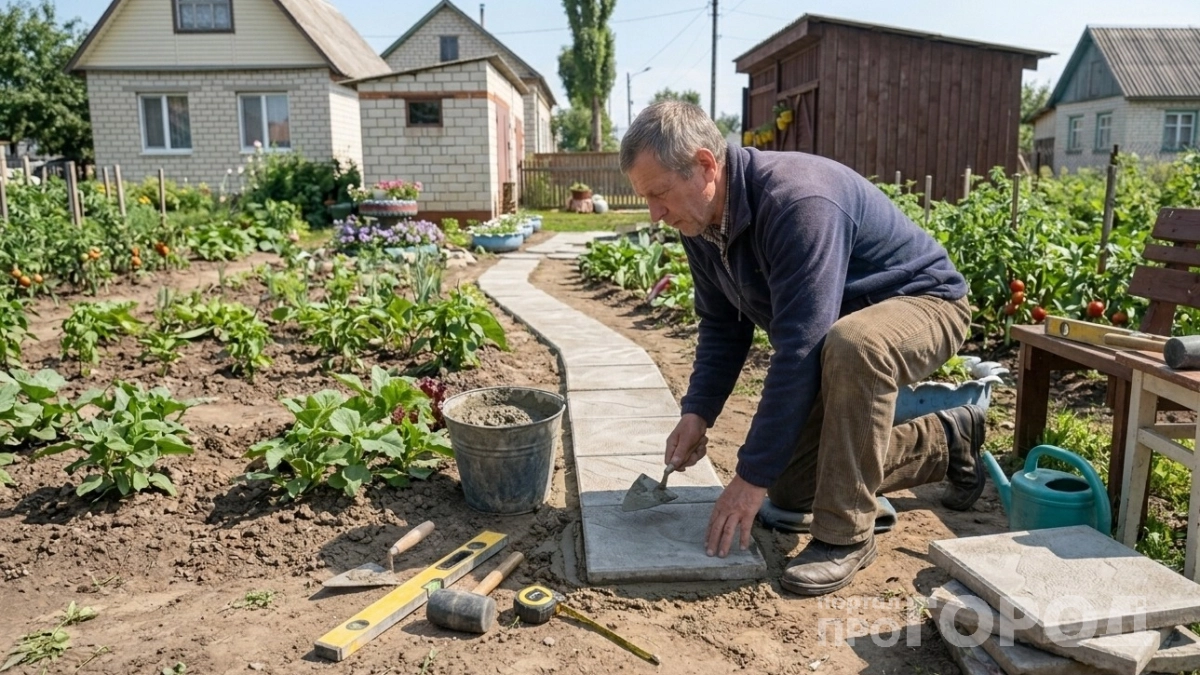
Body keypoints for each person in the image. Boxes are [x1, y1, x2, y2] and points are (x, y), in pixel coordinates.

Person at [618, 100, 985, 596]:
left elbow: (799, 346)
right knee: (791, 489)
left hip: (924, 303)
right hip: (834, 331)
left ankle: (845, 536)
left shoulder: (796, 202)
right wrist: (697, 413)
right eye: (647, 198)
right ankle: (946, 440)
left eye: (659, 193)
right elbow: (723, 327)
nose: (655, 213)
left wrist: (748, 478)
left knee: (854, 344)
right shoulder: (700, 224)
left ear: (705, 165)